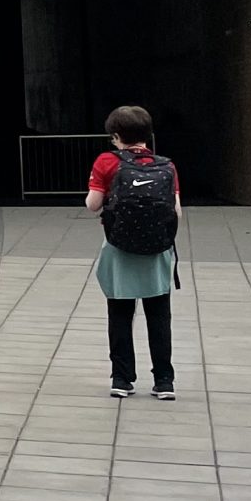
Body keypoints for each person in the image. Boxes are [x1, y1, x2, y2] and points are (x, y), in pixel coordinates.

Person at [85, 104, 180, 400]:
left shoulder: (106, 161)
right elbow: (176, 211)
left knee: (120, 315)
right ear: (147, 134)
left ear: (116, 135)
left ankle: (122, 379)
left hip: (120, 248)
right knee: (159, 316)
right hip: (157, 250)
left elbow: (93, 204)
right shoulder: (166, 165)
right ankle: (164, 381)